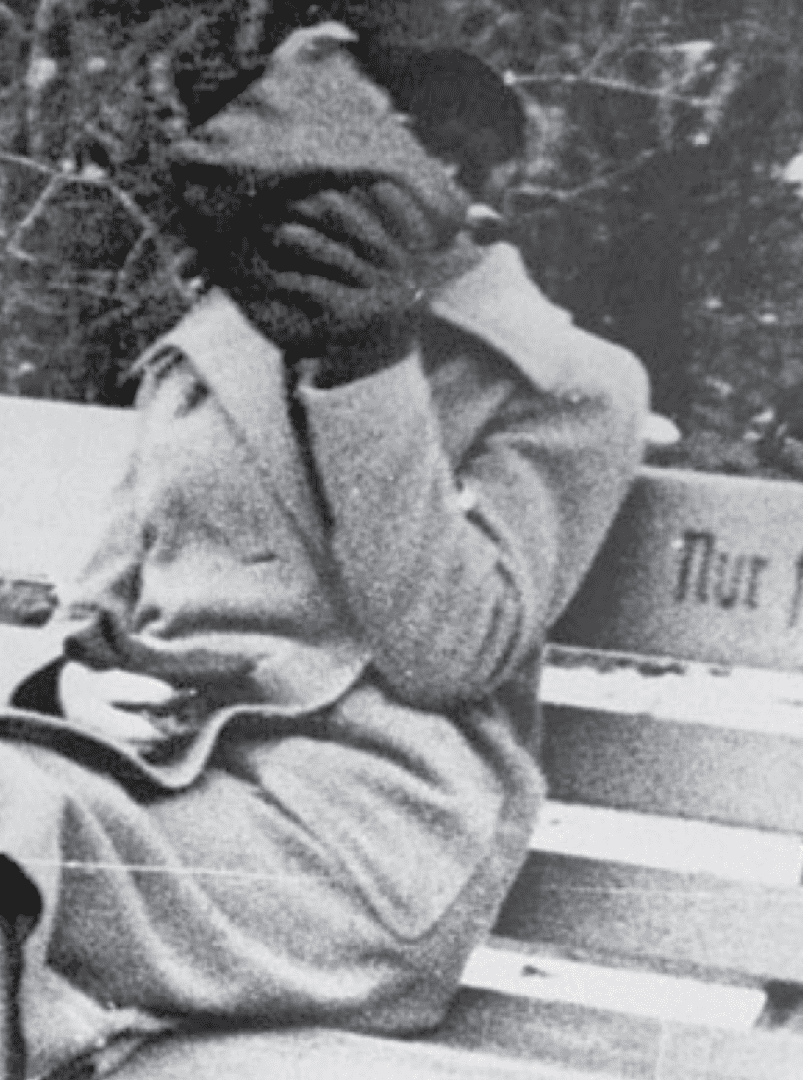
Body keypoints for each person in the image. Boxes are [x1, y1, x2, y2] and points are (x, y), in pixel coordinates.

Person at [0, 23, 648, 1080]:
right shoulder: (219, 337)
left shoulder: (565, 381)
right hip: (149, 786)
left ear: (461, 186)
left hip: (354, 843)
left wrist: (368, 368)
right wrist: (77, 685)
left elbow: (449, 650)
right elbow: (102, 607)